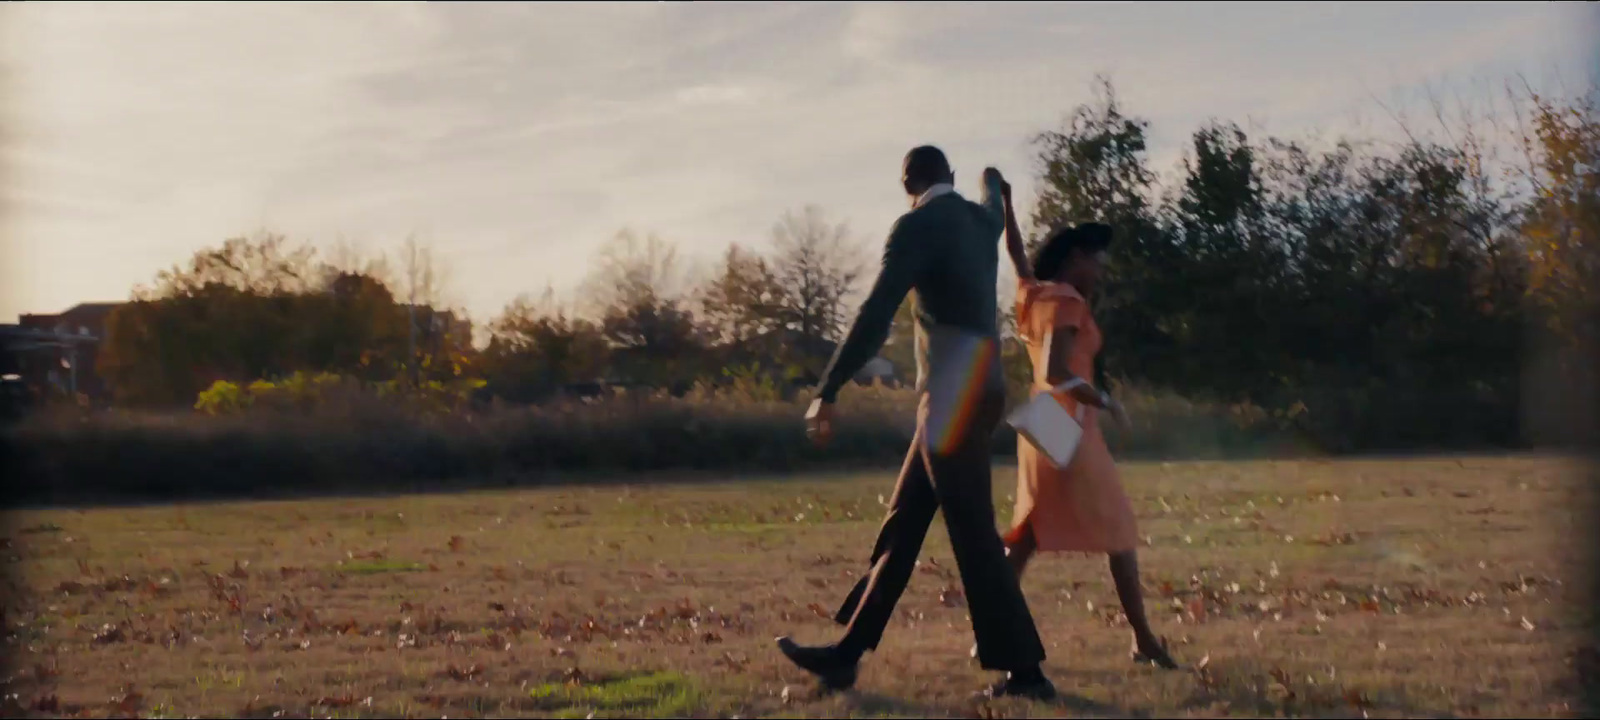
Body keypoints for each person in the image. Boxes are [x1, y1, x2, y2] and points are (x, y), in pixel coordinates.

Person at [775, 147, 1057, 700]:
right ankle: (846, 655)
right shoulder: (982, 220)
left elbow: (877, 311)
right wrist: (993, 180)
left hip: (950, 397)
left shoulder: (915, 226)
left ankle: (1026, 671)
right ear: (947, 177)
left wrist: (827, 389)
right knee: (903, 525)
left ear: (907, 184)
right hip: (986, 388)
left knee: (973, 530)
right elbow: (995, 192)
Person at [993, 179, 1180, 670]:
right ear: (1075, 256)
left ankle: (992, 633)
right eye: (1096, 258)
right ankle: (1143, 640)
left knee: (1029, 536)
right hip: (1068, 421)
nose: (1101, 268)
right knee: (1118, 529)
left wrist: (1008, 204)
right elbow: (1058, 372)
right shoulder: (1068, 301)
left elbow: (1015, 255)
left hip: (1041, 423)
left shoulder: (1035, 294)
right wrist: (1107, 402)